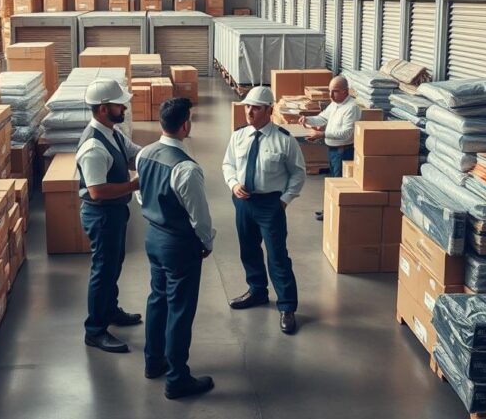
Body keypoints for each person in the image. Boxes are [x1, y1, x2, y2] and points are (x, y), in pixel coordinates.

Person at [136, 97, 217, 400]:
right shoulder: (186, 168)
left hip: (153, 237)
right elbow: (200, 217)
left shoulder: (144, 154)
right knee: (180, 310)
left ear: (162, 123)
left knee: (158, 300)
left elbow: (141, 197)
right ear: (186, 125)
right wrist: (206, 244)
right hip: (179, 245)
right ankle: (177, 378)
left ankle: (153, 361)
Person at [222, 86, 306, 335]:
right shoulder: (238, 136)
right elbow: (228, 164)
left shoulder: (284, 139)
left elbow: (298, 173)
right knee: (248, 249)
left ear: (269, 110)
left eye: (256, 108)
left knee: (277, 256)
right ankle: (257, 291)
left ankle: (287, 306)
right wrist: (234, 184)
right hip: (244, 202)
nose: (250, 111)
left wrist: (284, 200)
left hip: (271, 205)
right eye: (247, 106)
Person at [76, 78, 144, 354]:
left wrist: (160, 153)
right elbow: (97, 191)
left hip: (115, 212)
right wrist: (133, 185)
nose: (124, 108)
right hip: (101, 214)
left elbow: (133, 154)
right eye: (120, 104)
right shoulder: (94, 147)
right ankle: (95, 330)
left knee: (114, 264)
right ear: (104, 109)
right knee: (103, 271)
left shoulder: (112, 133)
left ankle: (111, 310)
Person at [299, 75, 358, 221]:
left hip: (343, 151)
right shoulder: (335, 104)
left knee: (338, 182)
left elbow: (346, 133)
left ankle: (336, 213)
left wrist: (322, 134)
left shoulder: (351, 108)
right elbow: (322, 118)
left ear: (346, 91)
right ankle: (329, 209)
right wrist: (307, 119)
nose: (331, 95)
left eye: (335, 91)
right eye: (330, 91)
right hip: (333, 149)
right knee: (332, 179)